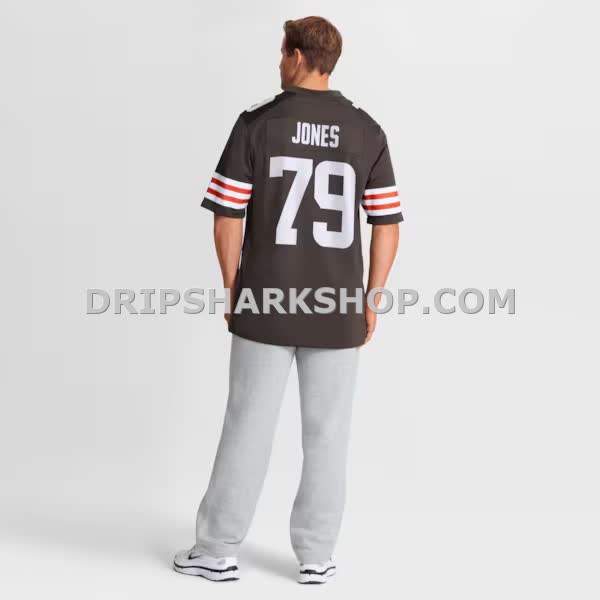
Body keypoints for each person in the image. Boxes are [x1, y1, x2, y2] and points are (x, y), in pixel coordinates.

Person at [174, 16, 402, 584]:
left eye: (283, 52)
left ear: (298, 57)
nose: (279, 61)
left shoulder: (258, 123)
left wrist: (234, 289)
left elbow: (227, 217)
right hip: (337, 306)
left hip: (266, 302)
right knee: (328, 433)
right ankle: (317, 557)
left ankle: (216, 550)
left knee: (247, 424)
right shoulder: (366, 130)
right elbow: (387, 223)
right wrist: (371, 298)